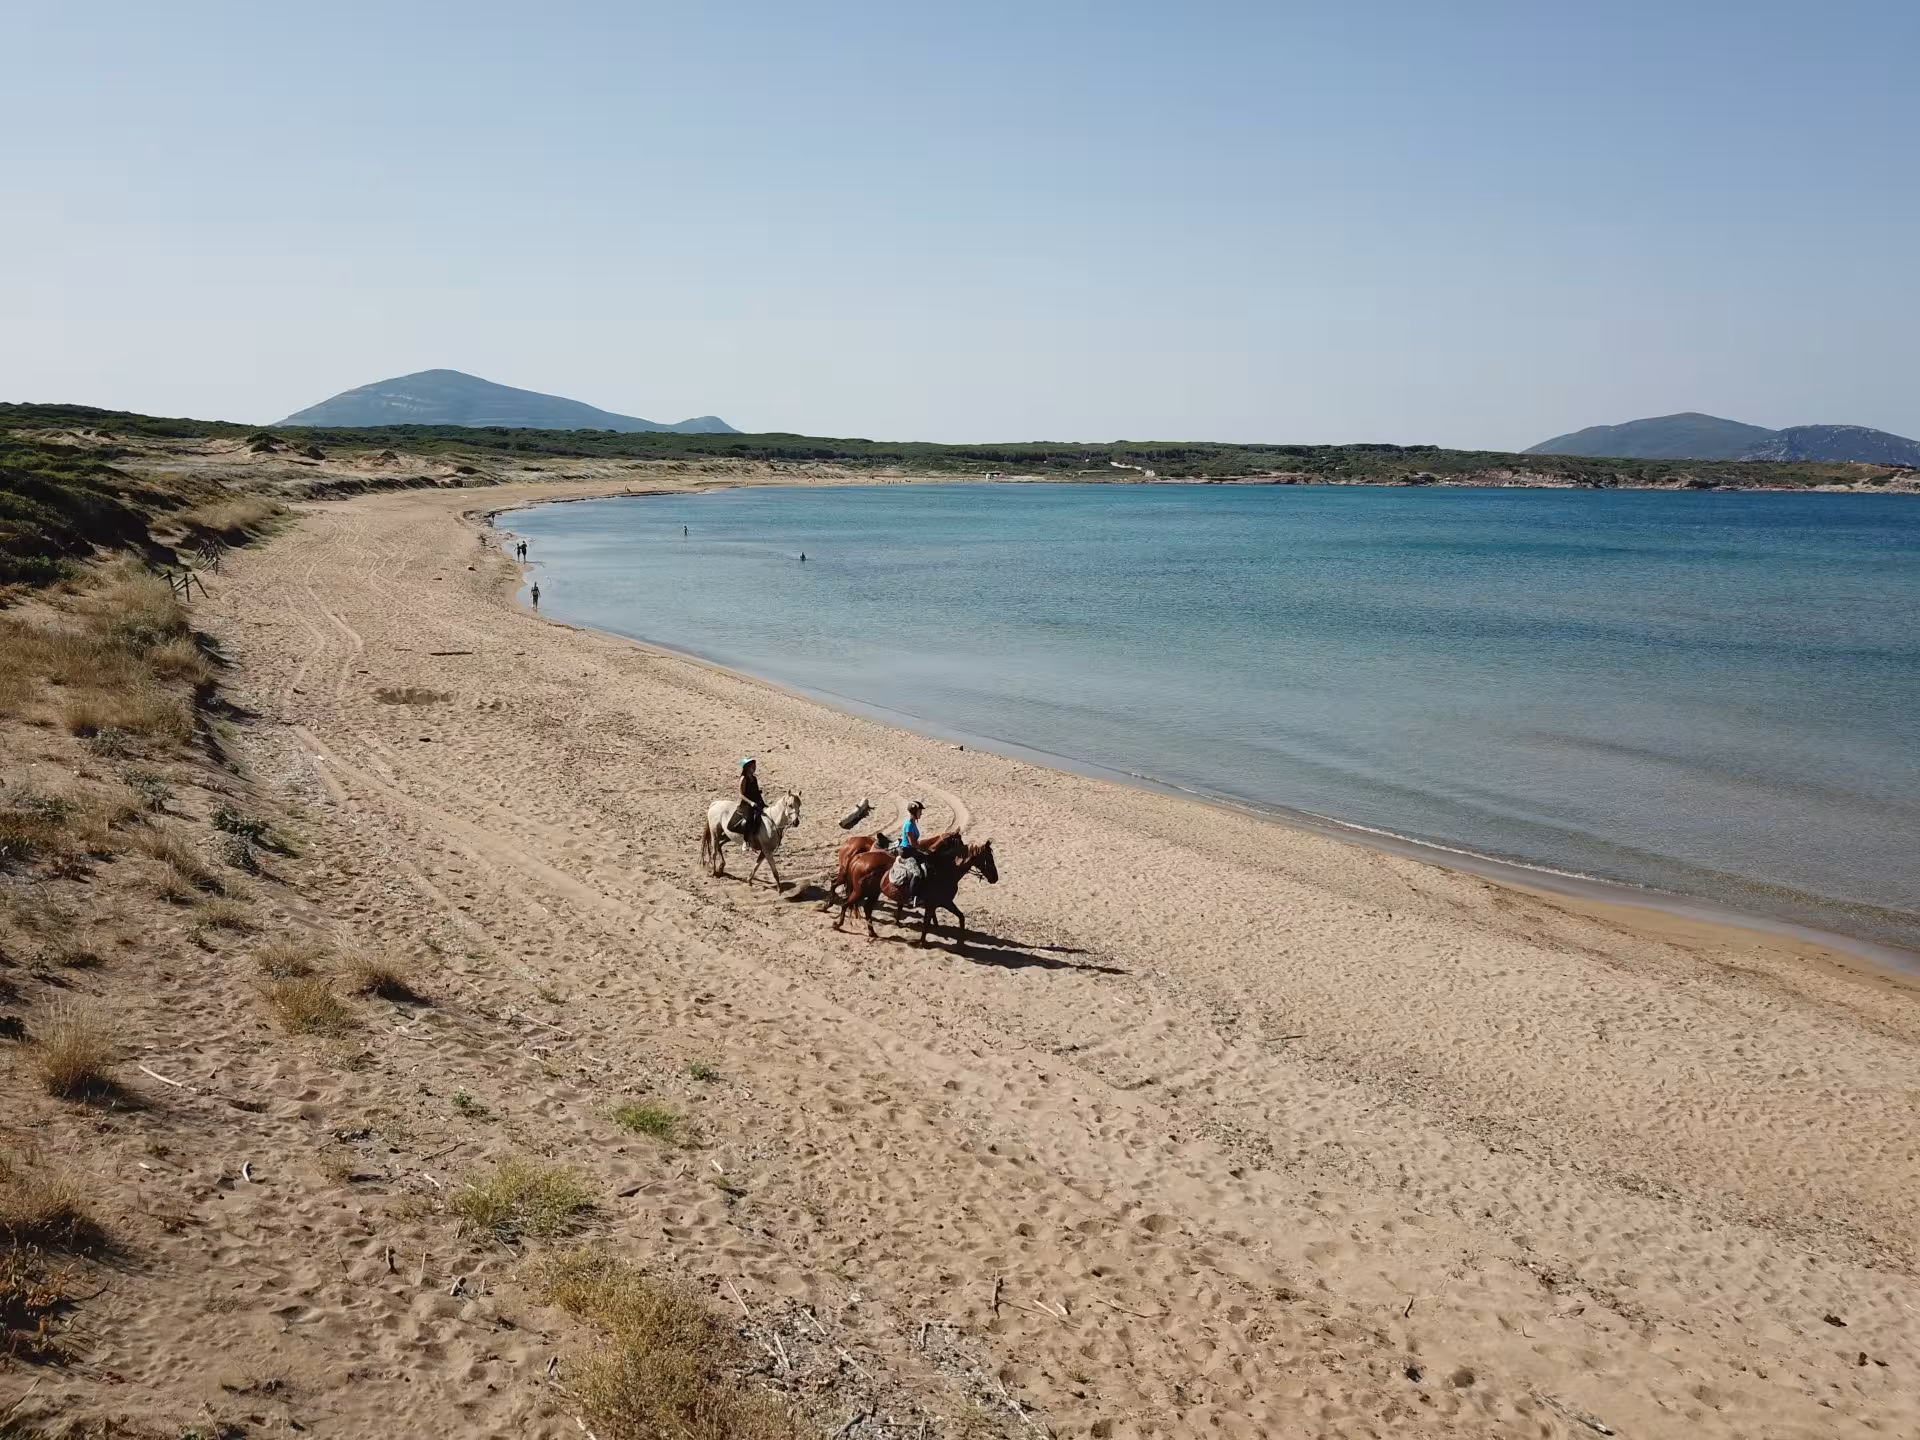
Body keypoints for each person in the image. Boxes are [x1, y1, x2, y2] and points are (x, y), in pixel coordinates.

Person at [890, 799, 926, 899]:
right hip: (906, 852)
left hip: (911, 850)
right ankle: (912, 896)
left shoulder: (913, 822)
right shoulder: (909, 825)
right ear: (914, 812)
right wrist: (923, 849)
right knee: (917, 873)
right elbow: (912, 843)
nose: (921, 814)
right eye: (920, 812)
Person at [734, 756, 765, 842]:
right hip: (745, 803)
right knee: (749, 819)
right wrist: (751, 802)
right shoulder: (743, 779)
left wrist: (762, 802)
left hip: (755, 802)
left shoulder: (754, 778)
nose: (754, 768)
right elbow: (741, 794)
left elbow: (757, 792)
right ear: (747, 767)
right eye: (752, 766)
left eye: (755, 766)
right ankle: (746, 840)